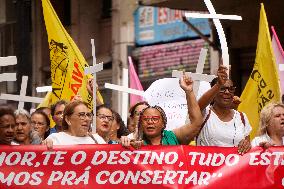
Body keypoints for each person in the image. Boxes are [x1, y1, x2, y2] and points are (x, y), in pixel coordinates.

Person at [122, 75, 203, 146]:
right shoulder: (132, 141)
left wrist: (189, 91)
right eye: (145, 119)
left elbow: (196, 123)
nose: (150, 122)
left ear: (163, 124)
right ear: (140, 124)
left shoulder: (172, 137)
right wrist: (125, 145)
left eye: (155, 119)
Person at [197, 66, 251, 155]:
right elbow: (197, 107)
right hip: (209, 167)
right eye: (222, 89)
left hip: (235, 167)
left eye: (231, 89)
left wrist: (246, 145)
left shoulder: (242, 117)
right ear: (213, 92)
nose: (227, 92)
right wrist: (218, 84)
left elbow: (248, 145)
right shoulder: (205, 113)